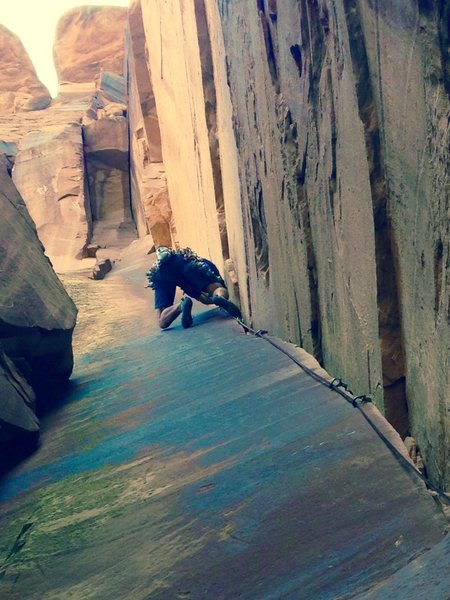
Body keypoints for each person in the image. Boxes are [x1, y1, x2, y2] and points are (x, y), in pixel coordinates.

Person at [147, 246, 241, 329]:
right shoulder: (185, 257)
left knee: (161, 320)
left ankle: (181, 305)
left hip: (161, 274)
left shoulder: (160, 271)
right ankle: (219, 297)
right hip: (187, 263)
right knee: (217, 289)